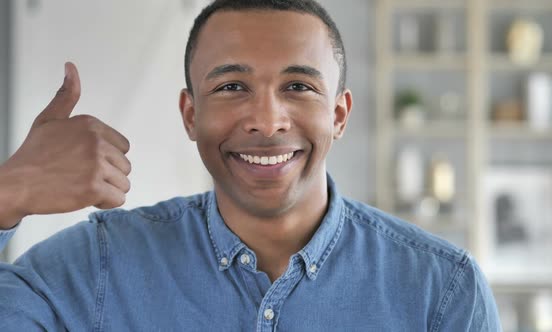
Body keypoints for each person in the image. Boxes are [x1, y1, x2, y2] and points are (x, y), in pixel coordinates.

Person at [0, 0, 501, 330]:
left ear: (339, 115)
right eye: (232, 87)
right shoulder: (98, 266)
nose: (266, 121)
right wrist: (9, 191)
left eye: (298, 86)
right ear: (190, 114)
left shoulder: (442, 290)